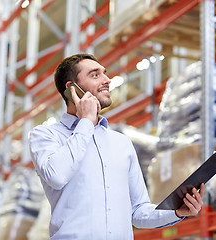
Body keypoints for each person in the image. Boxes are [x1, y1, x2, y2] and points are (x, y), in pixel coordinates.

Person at [29, 53, 205, 239]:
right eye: (95, 75)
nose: (107, 80)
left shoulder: (121, 143)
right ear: (71, 88)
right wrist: (86, 122)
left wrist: (177, 212)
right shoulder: (45, 135)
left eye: (105, 73)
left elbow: (138, 211)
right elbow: (57, 176)